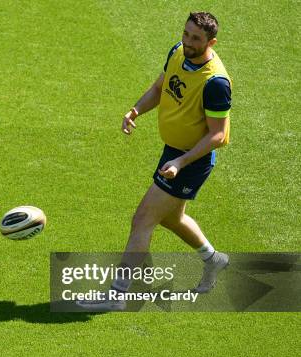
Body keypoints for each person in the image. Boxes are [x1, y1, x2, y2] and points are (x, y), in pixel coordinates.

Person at [82, 12, 232, 311]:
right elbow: (159, 88)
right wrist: (135, 111)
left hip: (191, 160)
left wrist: (182, 162)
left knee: (142, 220)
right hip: (173, 152)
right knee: (171, 218)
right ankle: (214, 260)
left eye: (196, 39)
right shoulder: (178, 51)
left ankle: (116, 296)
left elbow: (219, 135)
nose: (188, 42)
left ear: (211, 42)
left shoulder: (215, 82)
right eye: (186, 34)